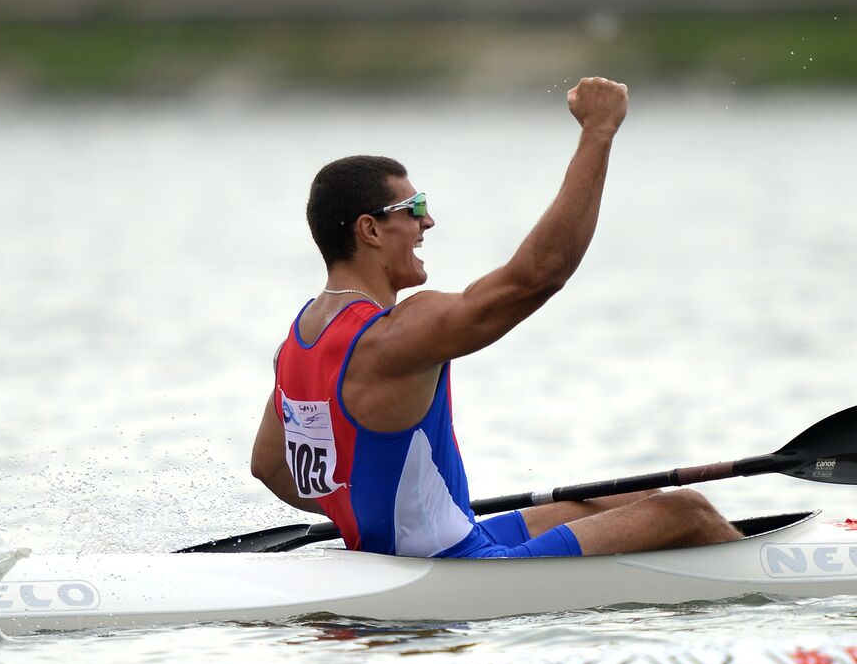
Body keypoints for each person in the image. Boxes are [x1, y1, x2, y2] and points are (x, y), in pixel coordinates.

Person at [250, 78, 742, 559]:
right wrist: (598, 132)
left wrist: (367, 514)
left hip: (399, 549)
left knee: (617, 502)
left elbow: (270, 467)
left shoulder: (297, 342)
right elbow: (536, 277)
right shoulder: (396, 334)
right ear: (370, 230)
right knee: (688, 509)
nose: (428, 222)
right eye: (414, 207)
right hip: (459, 560)